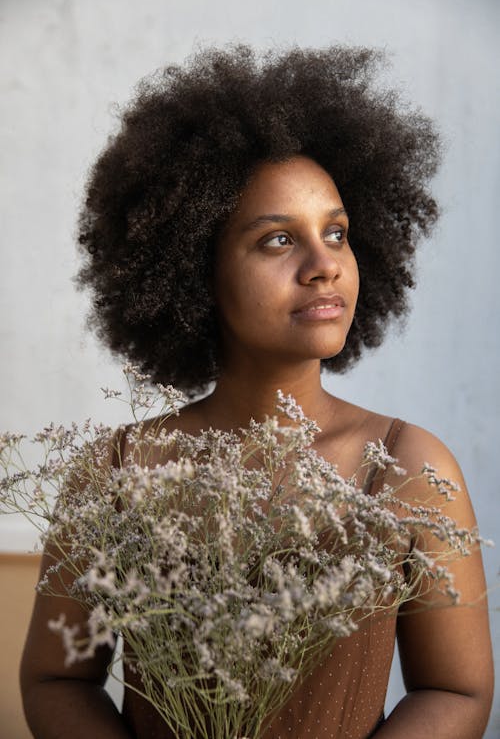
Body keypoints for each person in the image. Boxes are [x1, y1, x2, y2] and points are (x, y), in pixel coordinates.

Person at [20, 44, 493, 738]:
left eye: (336, 233)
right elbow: (57, 678)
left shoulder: (411, 470)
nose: (324, 265)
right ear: (191, 271)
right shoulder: (118, 476)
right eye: (278, 241)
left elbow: (456, 692)